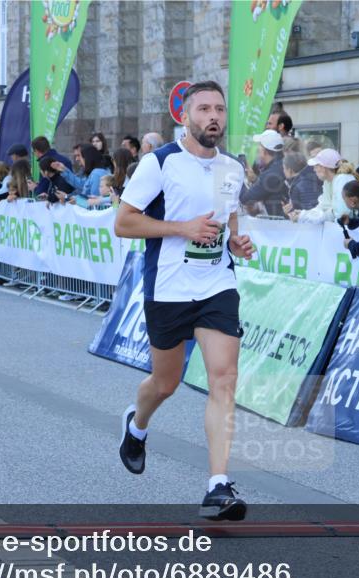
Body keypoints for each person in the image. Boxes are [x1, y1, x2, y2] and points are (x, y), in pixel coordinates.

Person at [114, 80, 254, 521]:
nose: (213, 116)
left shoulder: (233, 168)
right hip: (169, 288)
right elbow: (124, 224)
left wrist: (238, 243)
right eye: (203, 109)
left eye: (219, 109)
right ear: (185, 117)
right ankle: (136, 425)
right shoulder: (158, 164)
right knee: (166, 384)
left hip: (216, 286)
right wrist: (182, 228)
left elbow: (230, 222)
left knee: (224, 378)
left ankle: (218, 485)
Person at [291, 149, 357, 224]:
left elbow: (341, 213)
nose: (314, 169)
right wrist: (304, 214)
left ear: (324, 167)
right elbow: (323, 207)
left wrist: (305, 217)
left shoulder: (343, 179)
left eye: (316, 166)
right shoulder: (328, 182)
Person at [239, 129, 287, 217]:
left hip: (278, 225)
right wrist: (255, 179)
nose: (257, 149)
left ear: (264, 151)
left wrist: (238, 178)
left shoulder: (270, 174)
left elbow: (245, 199)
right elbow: (269, 187)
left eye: (259, 146)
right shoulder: (282, 165)